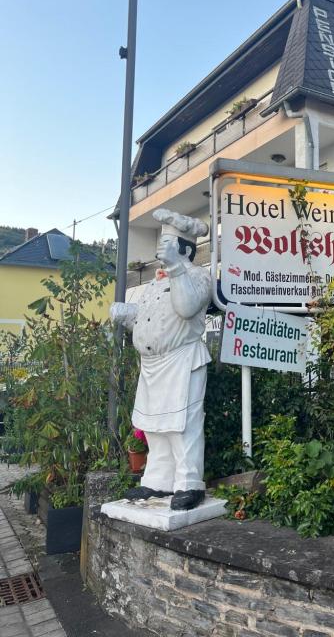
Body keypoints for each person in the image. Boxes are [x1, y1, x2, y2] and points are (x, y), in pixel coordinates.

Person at [110, 208, 212, 511]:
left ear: (183, 249)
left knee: (182, 426)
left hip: (182, 361)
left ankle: (188, 482)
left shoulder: (198, 276)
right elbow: (153, 319)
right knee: (155, 428)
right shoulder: (157, 281)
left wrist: (177, 269)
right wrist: (128, 316)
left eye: (167, 243)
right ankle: (158, 479)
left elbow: (186, 307)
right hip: (153, 366)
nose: (160, 249)